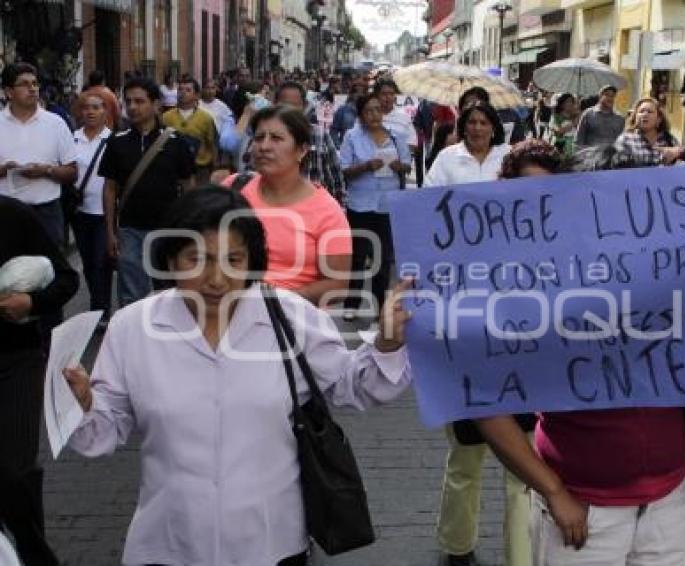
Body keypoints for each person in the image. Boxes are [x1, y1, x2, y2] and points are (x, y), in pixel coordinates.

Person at [472, 143, 685, 566]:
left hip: (672, 503)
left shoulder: (677, 280)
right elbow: (485, 404)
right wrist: (553, 491)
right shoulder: (534, 292)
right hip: (580, 509)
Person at [62, 186, 413, 566]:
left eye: (234, 259)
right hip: (168, 542)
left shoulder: (290, 317)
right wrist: (82, 403)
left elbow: (354, 385)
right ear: (170, 259)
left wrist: (387, 342)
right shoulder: (133, 328)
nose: (217, 279)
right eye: (198, 259)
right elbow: (105, 429)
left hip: (270, 542)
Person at [425, 102, 526, 566]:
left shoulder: (509, 162)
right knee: (466, 458)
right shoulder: (447, 162)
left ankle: (521, 555)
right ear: (463, 128)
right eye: (472, 123)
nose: (479, 128)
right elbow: (428, 215)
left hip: (520, 348)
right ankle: (457, 546)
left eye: (486, 122)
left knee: (521, 468)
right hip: (467, 339)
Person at [0, 194, 79, 566]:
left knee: (14, 472)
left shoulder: (14, 215)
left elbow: (66, 279)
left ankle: (35, 556)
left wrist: (31, 303)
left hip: (14, 360)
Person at [224, 106, 352, 306]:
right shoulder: (233, 187)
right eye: (259, 138)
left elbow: (337, 286)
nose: (264, 146)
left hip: (288, 324)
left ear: (301, 150)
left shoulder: (327, 212)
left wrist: (276, 301)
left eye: (276, 138)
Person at [99, 77, 196, 307]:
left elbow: (188, 184)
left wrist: (188, 226)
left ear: (156, 105)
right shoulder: (117, 143)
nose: (132, 107)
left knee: (169, 292)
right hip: (130, 230)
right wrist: (110, 232)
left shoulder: (176, 142)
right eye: (128, 101)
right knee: (132, 294)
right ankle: (134, 338)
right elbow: (110, 189)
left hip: (168, 229)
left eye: (140, 101)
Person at [339, 92, 412, 320]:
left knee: (383, 259)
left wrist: (400, 167)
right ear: (360, 115)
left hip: (387, 205)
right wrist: (366, 166)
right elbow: (344, 171)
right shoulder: (352, 137)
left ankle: (381, 306)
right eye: (369, 111)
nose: (374, 115)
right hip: (360, 205)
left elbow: (408, 166)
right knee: (359, 256)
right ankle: (352, 303)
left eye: (378, 110)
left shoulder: (396, 136)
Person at [0, 62, 78, 246]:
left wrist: (47, 171)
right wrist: (4, 169)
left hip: (46, 212)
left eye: (35, 83)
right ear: (9, 92)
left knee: (48, 270)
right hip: (5, 212)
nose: (32, 89)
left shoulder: (55, 123)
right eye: (24, 84)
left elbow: (72, 172)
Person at [70, 90, 113, 323]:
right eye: (86, 107)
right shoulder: (72, 138)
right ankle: (98, 304)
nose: (90, 112)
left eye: (96, 107)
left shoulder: (112, 140)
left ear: (105, 111)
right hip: (79, 211)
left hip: (103, 213)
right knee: (88, 263)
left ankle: (101, 309)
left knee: (101, 262)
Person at [275, 81, 347, 204]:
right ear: (275, 104)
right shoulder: (266, 136)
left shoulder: (319, 134)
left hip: (315, 208)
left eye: (295, 105)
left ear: (304, 106)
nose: (289, 110)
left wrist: (339, 209)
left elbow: (335, 178)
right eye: (284, 104)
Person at [425, 102, 511, 188]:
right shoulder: (447, 156)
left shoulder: (507, 154)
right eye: (472, 122)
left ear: (493, 128)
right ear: (464, 128)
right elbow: (429, 191)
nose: (477, 128)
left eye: (483, 123)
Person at [163, 77, 219, 185]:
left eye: (188, 90)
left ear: (197, 95)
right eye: (180, 89)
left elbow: (213, 144)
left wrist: (214, 167)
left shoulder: (206, 118)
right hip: (175, 169)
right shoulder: (166, 117)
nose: (183, 93)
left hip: (200, 169)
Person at [614, 97, 681, 166]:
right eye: (641, 111)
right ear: (635, 117)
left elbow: (680, 165)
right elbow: (619, 169)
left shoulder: (669, 139)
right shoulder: (625, 140)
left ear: (659, 119)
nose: (645, 114)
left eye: (650, 112)